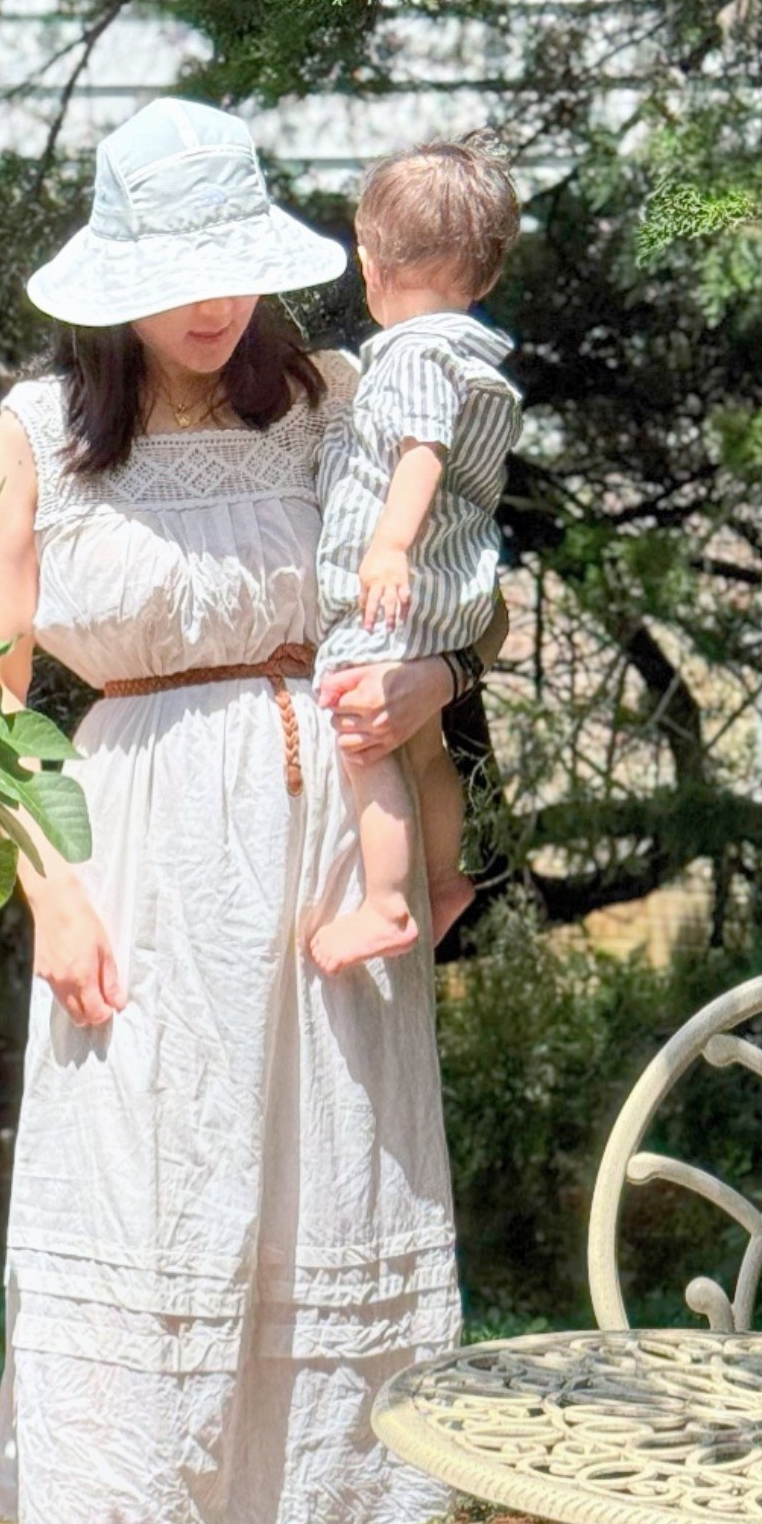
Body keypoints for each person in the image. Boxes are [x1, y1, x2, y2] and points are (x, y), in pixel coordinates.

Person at [0, 97, 501, 1524]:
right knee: (128, 1233)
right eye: (171, 281)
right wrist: (43, 888)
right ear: (114, 286)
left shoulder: (340, 404)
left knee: (292, 1205)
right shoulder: (45, 429)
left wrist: (422, 713)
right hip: (125, 853)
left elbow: (427, 613)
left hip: (313, 847)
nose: (209, 312)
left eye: (228, 274)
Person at [307, 136, 522, 976]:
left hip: (400, 584)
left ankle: (388, 902)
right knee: (423, 747)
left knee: (364, 742)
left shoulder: (409, 353)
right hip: (454, 585)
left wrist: (387, 547)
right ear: (489, 275)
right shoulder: (480, 360)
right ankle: (441, 878)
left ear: (369, 262)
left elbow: (419, 448)